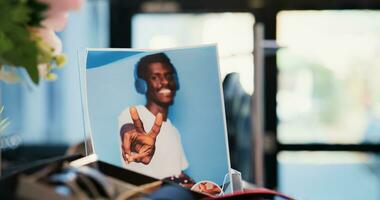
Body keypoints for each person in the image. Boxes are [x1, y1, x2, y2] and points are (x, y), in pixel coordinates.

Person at [118, 53, 193, 184]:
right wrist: (135, 141)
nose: (165, 82)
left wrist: (194, 186)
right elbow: (128, 132)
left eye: (169, 76)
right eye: (155, 77)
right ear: (142, 85)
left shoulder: (174, 131)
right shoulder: (133, 114)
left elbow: (177, 174)